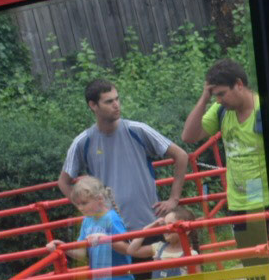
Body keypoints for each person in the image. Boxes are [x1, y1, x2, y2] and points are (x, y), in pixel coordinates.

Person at [181, 58, 269, 280]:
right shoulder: (221, 111)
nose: (219, 100)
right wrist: (204, 98)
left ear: (240, 85)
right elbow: (189, 137)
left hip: (267, 204)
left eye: (222, 93)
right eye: (215, 95)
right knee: (260, 277)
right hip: (240, 205)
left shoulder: (263, 111)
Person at [59, 79, 189, 244]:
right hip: (112, 233)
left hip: (150, 224)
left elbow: (181, 155)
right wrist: (86, 207)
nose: (116, 105)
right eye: (109, 101)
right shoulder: (82, 142)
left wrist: (174, 199)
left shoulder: (138, 130)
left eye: (117, 99)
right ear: (93, 105)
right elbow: (63, 182)